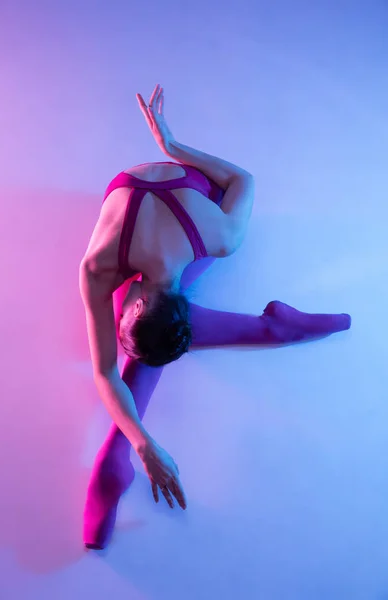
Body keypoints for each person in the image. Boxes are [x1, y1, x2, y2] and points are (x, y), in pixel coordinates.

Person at [79, 84, 351, 549]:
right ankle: (275, 328)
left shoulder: (117, 261)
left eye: (121, 321)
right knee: (148, 351)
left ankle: (113, 463)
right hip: (182, 202)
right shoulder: (209, 238)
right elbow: (240, 180)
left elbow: (243, 179)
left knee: (146, 357)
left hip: (177, 202)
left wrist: (173, 148)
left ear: (135, 301)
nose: (116, 317)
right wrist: (173, 146)